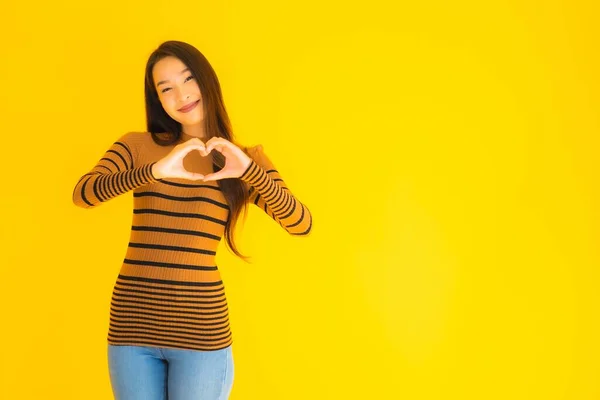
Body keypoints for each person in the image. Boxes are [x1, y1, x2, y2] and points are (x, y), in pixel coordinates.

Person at [72, 40, 312, 400]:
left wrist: (248, 171)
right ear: (157, 99)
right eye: (165, 88)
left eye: (187, 80)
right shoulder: (138, 146)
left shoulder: (243, 159)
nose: (180, 95)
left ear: (206, 80)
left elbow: (300, 223)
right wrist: (154, 170)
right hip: (131, 329)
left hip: (201, 333)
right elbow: (84, 194)